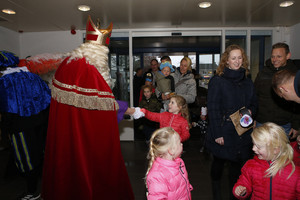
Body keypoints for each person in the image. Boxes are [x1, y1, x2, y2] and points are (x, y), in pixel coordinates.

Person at [41, 16, 134, 200]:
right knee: (93, 174)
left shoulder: (67, 64)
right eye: (104, 52)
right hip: (88, 140)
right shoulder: (89, 70)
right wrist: (127, 109)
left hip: (67, 135)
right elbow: (101, 111)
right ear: (99, 51)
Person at [205, 44, 257, 200]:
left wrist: (251, 114)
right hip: (224, 129)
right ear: (226, 61)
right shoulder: (217, 81)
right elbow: (212, 109)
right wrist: (217, 134)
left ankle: (235, 196)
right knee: (219, 165)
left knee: (238, 168)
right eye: (233, 58)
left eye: (240, 57)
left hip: (243, 130)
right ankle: (216, 192)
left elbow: (254, 102)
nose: (237, 61)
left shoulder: (247, 80)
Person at [0, 51, 51, 200]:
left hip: (19, 125)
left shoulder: (5, 82)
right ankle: (43, 187)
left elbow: (7, 108)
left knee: (26, 159)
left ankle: (32, 192)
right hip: (39, 122)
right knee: (39, 154)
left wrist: (6, 130)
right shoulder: (32, 76)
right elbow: (47, 99)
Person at [233, 122, 300, 200]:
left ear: (275, 149)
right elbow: (244, 182)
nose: (253, 149)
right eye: (253, 144)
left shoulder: (295, 172)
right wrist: (241, 190)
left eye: (258, 146)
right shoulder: (251, 165)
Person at [254, 42, 300, 139]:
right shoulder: (263, 73)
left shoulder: (294, 75)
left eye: (279, 56)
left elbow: (297, 103)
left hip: (284, 125)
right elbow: (255, 96)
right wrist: (253, 118)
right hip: (262, 123)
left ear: (288, 56)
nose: (275, 60)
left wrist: (296, 125)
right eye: (273, 56)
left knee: (282, 153)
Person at [145, 127, 193, 199]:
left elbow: (181, 182)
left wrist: (186, 188)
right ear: (171, 150)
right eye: (179, 143)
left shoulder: (179, 162)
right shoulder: (157, 175)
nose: (182, 144)